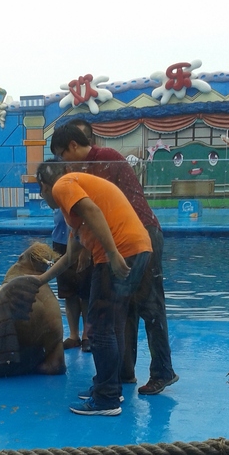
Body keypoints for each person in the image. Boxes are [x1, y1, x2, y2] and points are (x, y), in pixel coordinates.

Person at [50, 121, 178, 396]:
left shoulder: (103, 159)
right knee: (125, 306)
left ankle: (162, 371)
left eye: (62, 154)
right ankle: (124, 371)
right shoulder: (87, 166)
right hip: (124, 238)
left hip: (140, 233)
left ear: (73, 146)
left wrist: (97, 250)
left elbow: (98, 210)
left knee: (150, 305)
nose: (62, 162)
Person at [35, 161, 152, 416]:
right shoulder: (73, 206)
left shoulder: (62, 186)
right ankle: (109, 386)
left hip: (120, 251)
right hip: (138, 247)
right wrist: (40, 281)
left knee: (99, 329)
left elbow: (94, 211)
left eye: (41, 193)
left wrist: (112, 253)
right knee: (110, 325)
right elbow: (69, 258)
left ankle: (106, 399)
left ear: (43, 185)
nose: (45, 198)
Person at [51, 204, 91, 351]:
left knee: (85, 292)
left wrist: (85, 248)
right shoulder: (57, 191)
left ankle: (87, 335)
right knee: (68, 293)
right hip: (60, 241)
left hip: (81, 241)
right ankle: (74, 335)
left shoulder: (73, 187)